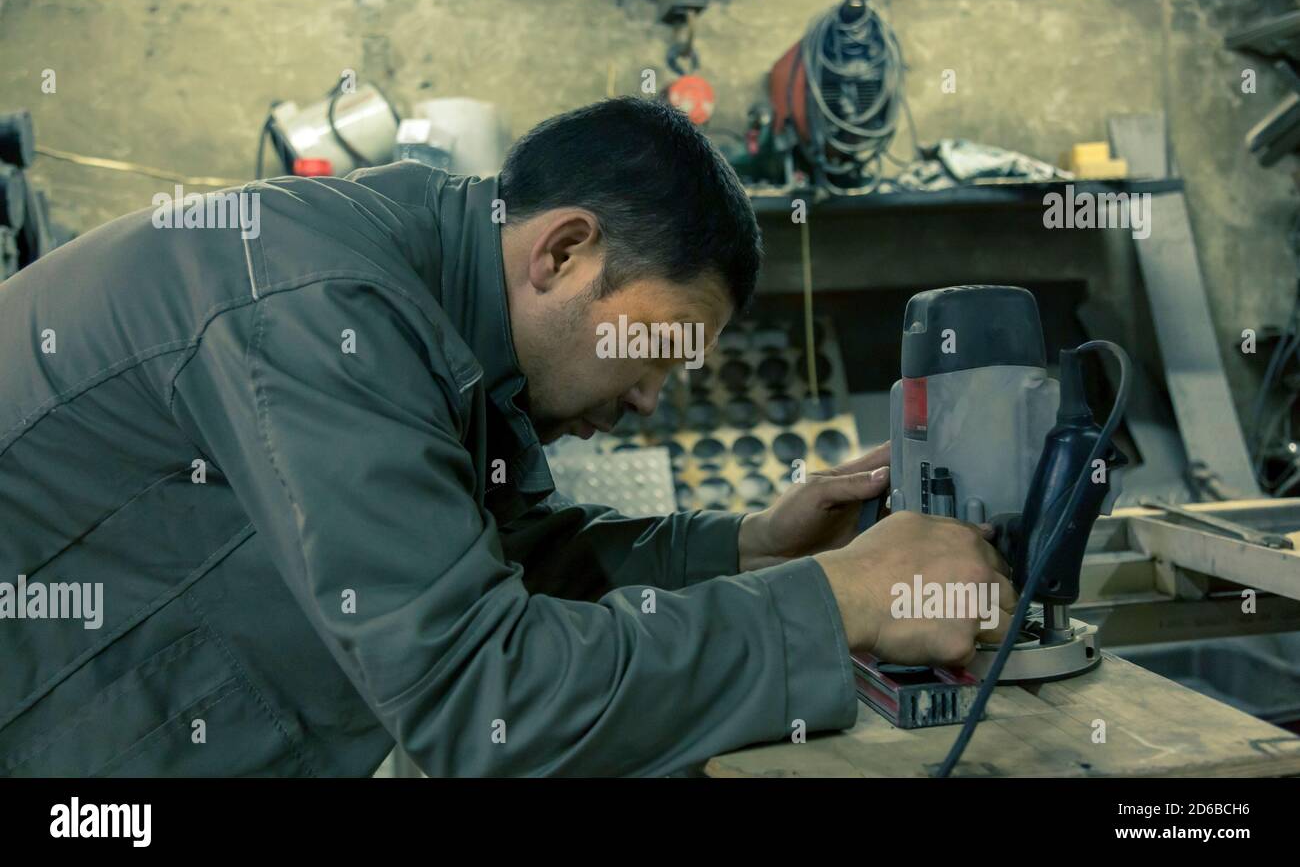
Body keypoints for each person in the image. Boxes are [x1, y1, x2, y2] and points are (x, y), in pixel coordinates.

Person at [0, 97, 1013, 776]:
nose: (651, 398)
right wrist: (836, 601)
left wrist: (749, 547)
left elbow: (505, 567)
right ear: (564, 252)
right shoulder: (321, 305)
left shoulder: (437, 314)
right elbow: (479, 695)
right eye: (654, 348)